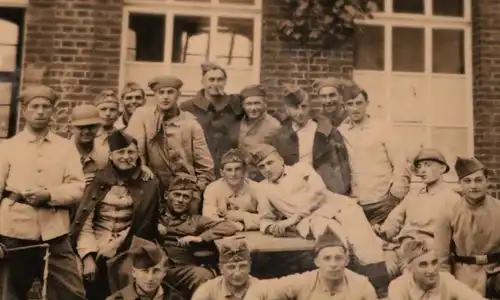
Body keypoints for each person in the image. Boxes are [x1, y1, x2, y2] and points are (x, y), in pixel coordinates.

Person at [249, 143, 390, 298]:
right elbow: (265, 217)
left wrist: (292, 219)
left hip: (336, 206)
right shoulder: (262, 188)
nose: (267, 169)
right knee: (336, 245)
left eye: (270, 163)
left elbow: (319, 193)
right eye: (262, 167)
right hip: (312, 220)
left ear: (281, 160)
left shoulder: (301, 169)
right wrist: (272, 227)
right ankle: (346, 291)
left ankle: (380, 290)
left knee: (363, 240)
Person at [0, 85, 86, 300]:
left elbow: (77, 187)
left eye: (46, 107)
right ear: (24, 111)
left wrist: (49, 195)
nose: (40, 111)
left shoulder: (65, 147)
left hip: (54, 232)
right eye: (35, 106)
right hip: (14, 232)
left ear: (52, 111)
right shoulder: (8, 147)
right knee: (10, 293)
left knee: (72, 292)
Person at [70, 130, 161, 300]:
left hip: (130, 245)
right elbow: (85, 223)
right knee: (77, 276)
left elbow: (145, 224)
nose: (126, 157)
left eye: (131, 152)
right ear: (111, 156)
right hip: (94, 242)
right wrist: (88, 256)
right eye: (120, 152)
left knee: (126, 275)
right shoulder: (96, 181)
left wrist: (116, 246)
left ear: (137, 155)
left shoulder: (149, 184)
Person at [126, 75, 214, 211]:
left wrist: (197, 188)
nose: (165, 97)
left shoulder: (191, 123)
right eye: (161, 93)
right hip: (150, 185)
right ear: (154, 95)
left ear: (179, 95)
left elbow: (205, 165)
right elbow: (132, 150)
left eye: (170, 92)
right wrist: (141, 166)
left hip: (184, 189)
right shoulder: (142, 116)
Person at [375, 149, 461, 275]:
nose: (422, 170)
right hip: (402, 247)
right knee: (379, 271)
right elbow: (395, 219)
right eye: (419, 166)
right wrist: (383, 231)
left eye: (428, 165)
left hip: (428, 251)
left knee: (411, 276)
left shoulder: (452, 199)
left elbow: (457, 237)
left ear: (442, 168)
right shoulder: (413, 195)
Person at [338, 84, 411, 225]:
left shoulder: (382, 129)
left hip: (382, 201)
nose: (355, 108)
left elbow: (400, 162)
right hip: (355, 203)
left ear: (367, 104)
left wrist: (395, 195)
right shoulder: (341, 131)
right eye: (350, 104)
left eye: (359, 103)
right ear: (344, 106)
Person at [158, 176, 238, 298]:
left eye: (186, 197)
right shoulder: (154, 216)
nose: (180, 200)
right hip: (153, 267)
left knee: (203, 275)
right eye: (177, 195)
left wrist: (201, 238)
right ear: (166, 196)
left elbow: (228, 226)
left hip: (180, 270)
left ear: (190, 201)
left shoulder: (195, 221)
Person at [244, 227, 377, 300]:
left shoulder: (361, 285)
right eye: (327, 258)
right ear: (316, 262)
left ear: (346, 261)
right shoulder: (305, 281)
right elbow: (261, 289)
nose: (333, 264)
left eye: (338, 258)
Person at [435, 157, 500, 298]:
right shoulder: (449, 213)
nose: (473, 186)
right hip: (464, 277)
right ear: (460, 184)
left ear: (487, 182)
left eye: (478, 180)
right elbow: (442, 260)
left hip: (497, 274)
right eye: (467, 181)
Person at [269, 84, 351, 195]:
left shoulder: (326, 131)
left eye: (304, 107)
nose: (300, 113)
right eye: (295, 108)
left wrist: (343, 190)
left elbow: (343, 162)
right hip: (294, 190)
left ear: (309, 107)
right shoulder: (280, 136)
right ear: (287, 110)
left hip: (325, 189)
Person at [180, 62, 244, 177]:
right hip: (199, 169)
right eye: (211, 79)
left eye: (220, 80)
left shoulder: (235, 105)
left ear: (225, 82)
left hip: (230, 169)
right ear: (203, 82)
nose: (215, 84)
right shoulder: (187, 107)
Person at [388, 239, 486, 299]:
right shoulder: (398, 287)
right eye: (423, 265)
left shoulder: (446, 280)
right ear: (410, 268)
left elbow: (474, 298)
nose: (431, 270)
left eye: (434, 263)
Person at [106, 236, 184, 300]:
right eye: (145, 271)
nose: (150, 278)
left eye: (156, 271)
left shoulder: (176, 298)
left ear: (164, 273)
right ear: (134, 272)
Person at [203, 149, 263, 232]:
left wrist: (241, 216)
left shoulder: (256, 188)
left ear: (244, 171)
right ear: (221, 173)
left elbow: (267, 218)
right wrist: (237, 226)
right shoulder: (213, 189)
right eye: (229, 170)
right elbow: (209, 220)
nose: (233, 174)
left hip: (253, 233)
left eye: (238, 169)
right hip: (222, 234)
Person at [238, 84, 281, 181]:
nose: (253, 108)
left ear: (265, 104)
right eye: (249, 104)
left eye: (257, 103)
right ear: (243, 105)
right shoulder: (238, 122)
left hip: (262, 180)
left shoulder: (274, 126)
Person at [192, 239, 258, 300]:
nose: (237, 273)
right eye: (231, 267)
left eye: (242, 266)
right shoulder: (208, 290)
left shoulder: (261, 288)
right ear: (221, 269)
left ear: (249, 266)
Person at [70, 104, 108, 184]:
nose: (86, 131)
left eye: (91, 127)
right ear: (72, 128)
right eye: (81, 127)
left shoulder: (105, 156)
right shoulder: (60, 153)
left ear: (98, 127)